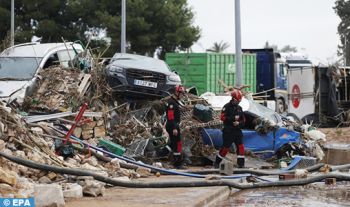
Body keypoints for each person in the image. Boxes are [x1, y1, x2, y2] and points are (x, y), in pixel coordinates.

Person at [214, 89, 246, 168]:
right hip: (228, 131)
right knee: (225, 148)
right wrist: (232, 119)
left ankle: (241, 164)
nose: (238, 103)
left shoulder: (240, 108)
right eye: (237, 101)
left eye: (239, 101)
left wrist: (239, 123)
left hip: (237, 130)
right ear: (233, 99)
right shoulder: (227, 107)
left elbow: (243, 120)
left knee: (241, 147)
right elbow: (222, 118)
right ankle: (217, 163)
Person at [158, 85, 186, 168]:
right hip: (172, 126)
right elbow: (170, 117)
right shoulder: (172, 103)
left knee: (173, 144)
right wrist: (174, 128)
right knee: (178, 144)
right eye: (181, 94)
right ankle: (177, 164)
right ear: (176, 93)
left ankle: (160, 154)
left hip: (173, 125)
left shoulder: (174, 102)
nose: (182, 95)